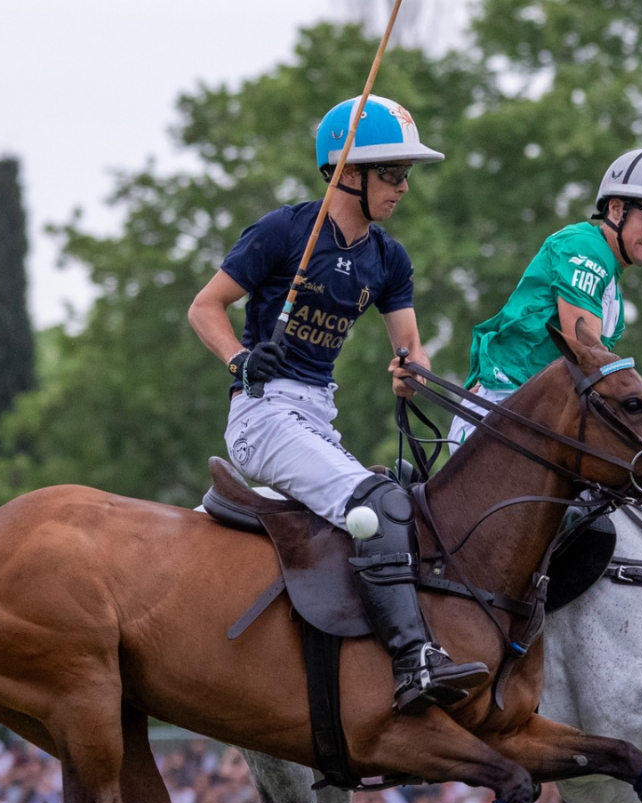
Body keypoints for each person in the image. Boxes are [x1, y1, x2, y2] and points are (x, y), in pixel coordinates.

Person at [188, 94, 489, 714]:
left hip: (318, 416)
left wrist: (412, 372)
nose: (404, 187)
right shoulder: (285, 231)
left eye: (407, 175)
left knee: (405, 497)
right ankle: (413, 661)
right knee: (377, 510)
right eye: (393, 173)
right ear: (348, 172)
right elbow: (204, 307)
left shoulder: (388, 258)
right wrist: (239, 359)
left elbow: (410, 343)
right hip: (263, 413)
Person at [447, 147, 642, 447]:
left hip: (547, 420)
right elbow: (588, 357)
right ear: (615, 210)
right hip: (502, 406)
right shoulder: (584, 248)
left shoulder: (615, 303)